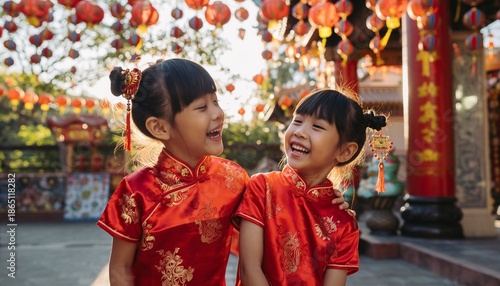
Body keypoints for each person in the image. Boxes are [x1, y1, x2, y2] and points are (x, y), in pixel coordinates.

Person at [97, 58, 351, 285]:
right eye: (202, 107)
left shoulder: (233, 178)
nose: (218, 114)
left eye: (215, 101)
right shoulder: (136, 191)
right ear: (160, 128)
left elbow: (279, 199)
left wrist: (327, 203)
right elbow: (120, 270)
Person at [234, 88, 388, 286]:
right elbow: (250, 269)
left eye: (317, 127)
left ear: (344, 151)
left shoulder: (344, 224)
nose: (299, 132)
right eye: (297, 121)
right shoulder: (263, 187)